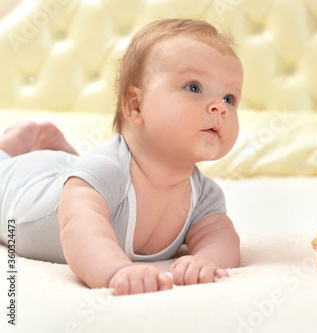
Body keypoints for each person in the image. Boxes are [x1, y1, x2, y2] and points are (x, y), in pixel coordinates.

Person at [0, 19, 243, 295]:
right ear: (135, 105)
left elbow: (221, 237)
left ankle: (56, 149)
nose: (219, 108)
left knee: (73, 169)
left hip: (70, 172)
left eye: (229, 99)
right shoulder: (108, 171)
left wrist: (207, 261)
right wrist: (116, 270)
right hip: (23, 186)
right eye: (194, 87)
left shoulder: (204, 195)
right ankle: (21, 141)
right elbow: (80, 229)